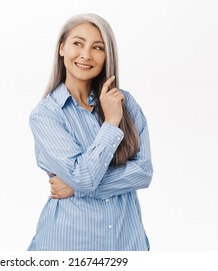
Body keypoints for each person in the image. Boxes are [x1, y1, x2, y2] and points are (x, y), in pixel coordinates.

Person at [27, 13, 153, 251]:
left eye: (97, 47)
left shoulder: (125, 104)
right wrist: (111, 122)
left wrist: (75, 188)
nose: (86, 54)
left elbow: (143, 173)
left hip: (127, 242)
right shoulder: (46, 115)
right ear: (62, 48)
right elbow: (84, 176)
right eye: (77, 43)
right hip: (69, 244)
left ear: (107, 56)